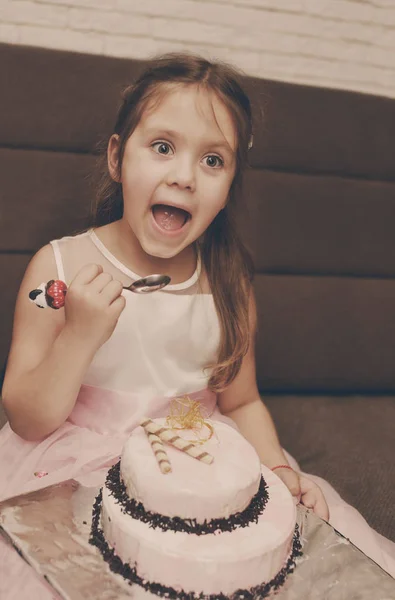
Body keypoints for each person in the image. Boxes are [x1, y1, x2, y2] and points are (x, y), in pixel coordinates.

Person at [0, 53, 394, 598]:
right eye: (162, 148)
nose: (183, 177)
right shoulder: (59, 271)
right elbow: (26, 418)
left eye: (213, 161)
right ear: (118, 157)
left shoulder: (228, 284)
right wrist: (80, 337)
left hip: (202, 470)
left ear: (230, 184)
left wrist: (278, 471)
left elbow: (241, 403)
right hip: (72, 469)